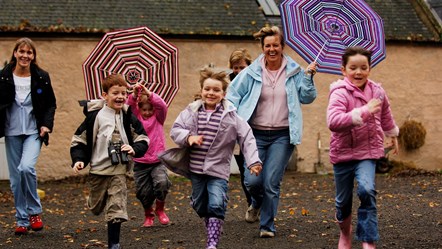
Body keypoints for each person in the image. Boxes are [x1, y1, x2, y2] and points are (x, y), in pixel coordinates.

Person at [226, 25, 318, 238]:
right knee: (252, 181)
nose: (272, 49)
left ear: (282, 46)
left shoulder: (295, 71)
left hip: (283, 136)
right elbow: (232, 95)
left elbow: (307, 97)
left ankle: (267, 225)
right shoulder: (251, 72)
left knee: (271, 181)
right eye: (268, 46)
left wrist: (308, 77)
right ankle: (256, 203)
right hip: (255, 135)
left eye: (276, 45)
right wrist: (233, 115)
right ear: (263, 47)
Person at [162, 67, 262, 249]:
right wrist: (188, 137)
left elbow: (247, 137)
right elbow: (175, 130)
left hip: (218, 170)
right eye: (207, 89)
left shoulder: (231, 116)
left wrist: (253, 161)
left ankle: (212, 243)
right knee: (200, 205)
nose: (211, 93)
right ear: (201, 91)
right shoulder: (191, 112)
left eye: (216, 90)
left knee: (216, 204)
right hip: (196, 169)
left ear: (223, 93)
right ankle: (211, 223)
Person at [326, 46, 399, 249]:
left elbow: (385, 115)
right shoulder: (339, 93)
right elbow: (333, 121)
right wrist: (364, 111)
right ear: (344, 70)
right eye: (353, 68)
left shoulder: (377, 91)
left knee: (367, 190)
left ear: (369, 68)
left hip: (367, 152)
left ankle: (368, 240)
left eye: (363, 67)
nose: (358, 72)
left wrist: (392, 134)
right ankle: (345, 233)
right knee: (342, 202)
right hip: (342, 153)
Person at [70, 74, 149, 249]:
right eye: (115, 93)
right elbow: (79, 140)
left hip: (118, 171)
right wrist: (78, 160)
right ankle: (93, 200)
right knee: (96, 208)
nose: (120, 96)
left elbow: (143, 137)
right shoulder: (94, 116)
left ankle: (114, 244)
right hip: (98, 171)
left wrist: (134, 148)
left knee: (117, 208)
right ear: (105, 95)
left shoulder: (128, 116)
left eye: (124, 93)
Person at [0, 37, 57, 235]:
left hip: (34, 131)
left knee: (26, 167)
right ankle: (21, 219)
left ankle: (34, 211)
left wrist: (46, 125)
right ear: (15, 53)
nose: (25, 55)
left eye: (29, 52)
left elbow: (50, 104)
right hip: (11, 131)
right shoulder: (4, 76)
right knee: (16, 179)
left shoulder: (41, 76)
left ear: (33, 56)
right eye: (21, 51)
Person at [126, 83, 171, 227]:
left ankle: (160, 209)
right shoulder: (135, 119)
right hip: (140, 162)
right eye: (143, 109)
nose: (147, 112)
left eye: (150, 109)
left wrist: (149, 94)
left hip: (157, 159)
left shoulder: (159, 118)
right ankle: (148, 214)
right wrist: (133, 96)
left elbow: (162, 106)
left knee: (162, 183)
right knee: (143, 192)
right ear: (139, 108)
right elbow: (128, 108)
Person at [227, 48, 253, 209]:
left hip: (254, 131)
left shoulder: (254, 82)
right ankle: (252, 202)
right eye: (235, 67)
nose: (237, 71)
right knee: (244, 171)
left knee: (256, 169)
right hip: (237, 134)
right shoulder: (228, 83)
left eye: (241, 67)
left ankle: (259, 201)